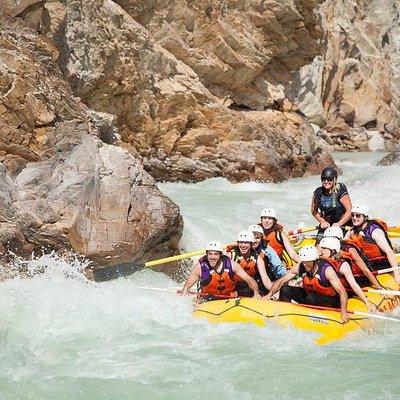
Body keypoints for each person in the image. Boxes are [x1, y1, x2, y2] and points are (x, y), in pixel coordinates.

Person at [264, 246, 349, 323]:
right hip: (311, 297)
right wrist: (269, 294)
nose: (305, 264)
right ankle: (284, 315)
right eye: (304, 261)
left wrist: (344, 312)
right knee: (285, 289)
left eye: (308, 261)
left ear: (315, 260)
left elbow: (343, 293)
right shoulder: (301, 266)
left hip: (331, 300)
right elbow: (282, 280)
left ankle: (309, 320)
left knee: (311, 298)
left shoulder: (327, 271)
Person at [180, 240, 262, 299]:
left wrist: (256, 293)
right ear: (206, 254)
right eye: (210, 254)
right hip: (207, 300)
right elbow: (186, 287)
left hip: (228, 299)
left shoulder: (232, 265)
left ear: (221, 255)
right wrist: (185, 298)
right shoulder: (199, 268)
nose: (212, 257)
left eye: (215, 254)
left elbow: (250, 279)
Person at [344, 204, 400, 283]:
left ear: (365, 217)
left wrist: (397, 274)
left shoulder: (374, 231)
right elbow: (343, 244)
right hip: (366, 263)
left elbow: (389, 252)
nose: (354, 218)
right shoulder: (352, 231)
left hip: (381, 264)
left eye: (358, 216)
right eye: (352, 215)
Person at [319, 237, 376, 311]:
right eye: (321, 248)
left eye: (324, 249)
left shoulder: (343, 265)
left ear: (333, 251)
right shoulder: (320, 263)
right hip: (327, 293)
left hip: (342, 295)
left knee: (312, 298)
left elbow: (353, 284)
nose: (321, 251)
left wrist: (366, 301)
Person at [227, 230, 274, 295]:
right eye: (241, 242)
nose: (243, 246)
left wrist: (274, 291)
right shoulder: (230, 255)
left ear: (251, 244)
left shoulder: (257, 259)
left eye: (246, 243)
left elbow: (266, 281)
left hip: (249, 286)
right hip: (233, 286)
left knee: (258, 286)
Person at [311, 166, 352, 240]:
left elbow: (349, 211)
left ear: (334, 179)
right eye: (324, 179)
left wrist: (338, 224)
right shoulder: (318, 192)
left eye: (329, 179)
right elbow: (314, 211)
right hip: (327, 225)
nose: (326, 181)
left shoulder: (340, 191)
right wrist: (323, 221)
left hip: (344, 224)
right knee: (319, 245)